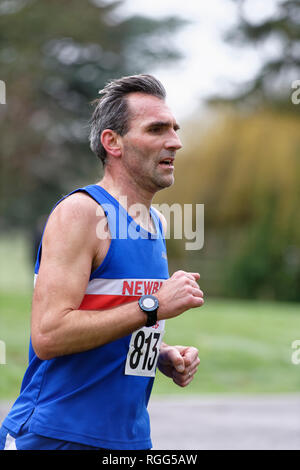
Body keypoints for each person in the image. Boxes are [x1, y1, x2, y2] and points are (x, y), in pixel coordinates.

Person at [0, 74, 204, 451]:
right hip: (57, 435)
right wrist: (154, 306)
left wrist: (159, 354)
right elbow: (49, 334)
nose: (175, 141)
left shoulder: (155, 223)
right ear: (113, 142)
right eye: (157, 129)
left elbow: (112, 315)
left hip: (129, 438)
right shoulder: (82, 213)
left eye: (174, 129)